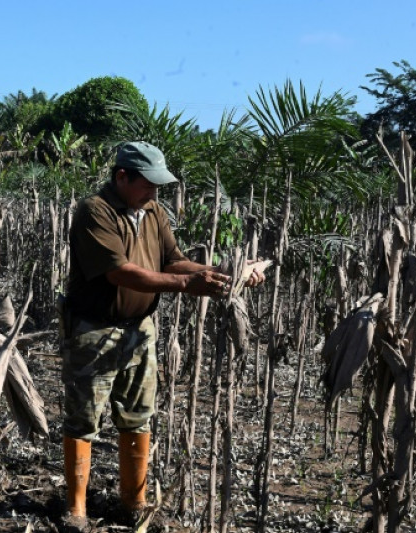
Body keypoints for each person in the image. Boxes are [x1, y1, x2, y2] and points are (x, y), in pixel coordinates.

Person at [60, 141, 265, 529]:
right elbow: (119, 272)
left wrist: (226, 273)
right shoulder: (95, 211)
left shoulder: (152, 211)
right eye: (148, 184)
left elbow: (173, 259)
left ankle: (134, 504)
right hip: (94, 329)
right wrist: (188, 284)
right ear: (122, 177)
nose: (155, 192)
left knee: (137, 416)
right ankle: (76, 510)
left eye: (158, 185)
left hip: (140, 330)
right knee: (83, 419)